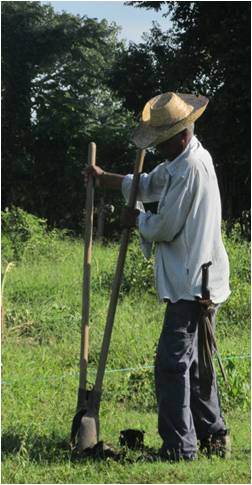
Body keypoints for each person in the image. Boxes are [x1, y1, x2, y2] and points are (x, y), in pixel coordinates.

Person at [85, 92, 231, 461]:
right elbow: (148, 183)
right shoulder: (181, 160)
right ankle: (214, 437)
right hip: (195, 279)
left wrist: (136, 219)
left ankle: (180, 448)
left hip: (193, 284)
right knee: (195, 363)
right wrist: (106, 179)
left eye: (162, 141)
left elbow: (164, 226)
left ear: (181, 134)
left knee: (172, 363)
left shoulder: (192, 167)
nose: (158, 148)